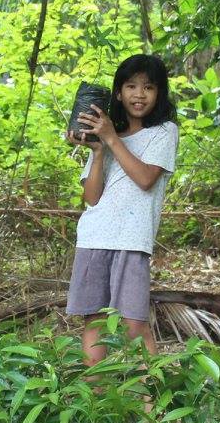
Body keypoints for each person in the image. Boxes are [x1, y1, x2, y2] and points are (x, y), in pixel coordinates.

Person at [65, 54, 179, 364]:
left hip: (131, 239)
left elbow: (145, 179)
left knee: (134, 325)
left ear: (159, 93)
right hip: (93, 236)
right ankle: (97, 405)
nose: (139, 95)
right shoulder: (107, 135)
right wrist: (99, 152)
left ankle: (152, 409)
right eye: (131, 86)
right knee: (94, 321)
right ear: (118, 92)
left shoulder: (164, 132)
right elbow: (91, 197)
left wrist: (112, 138)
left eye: (148, 87)